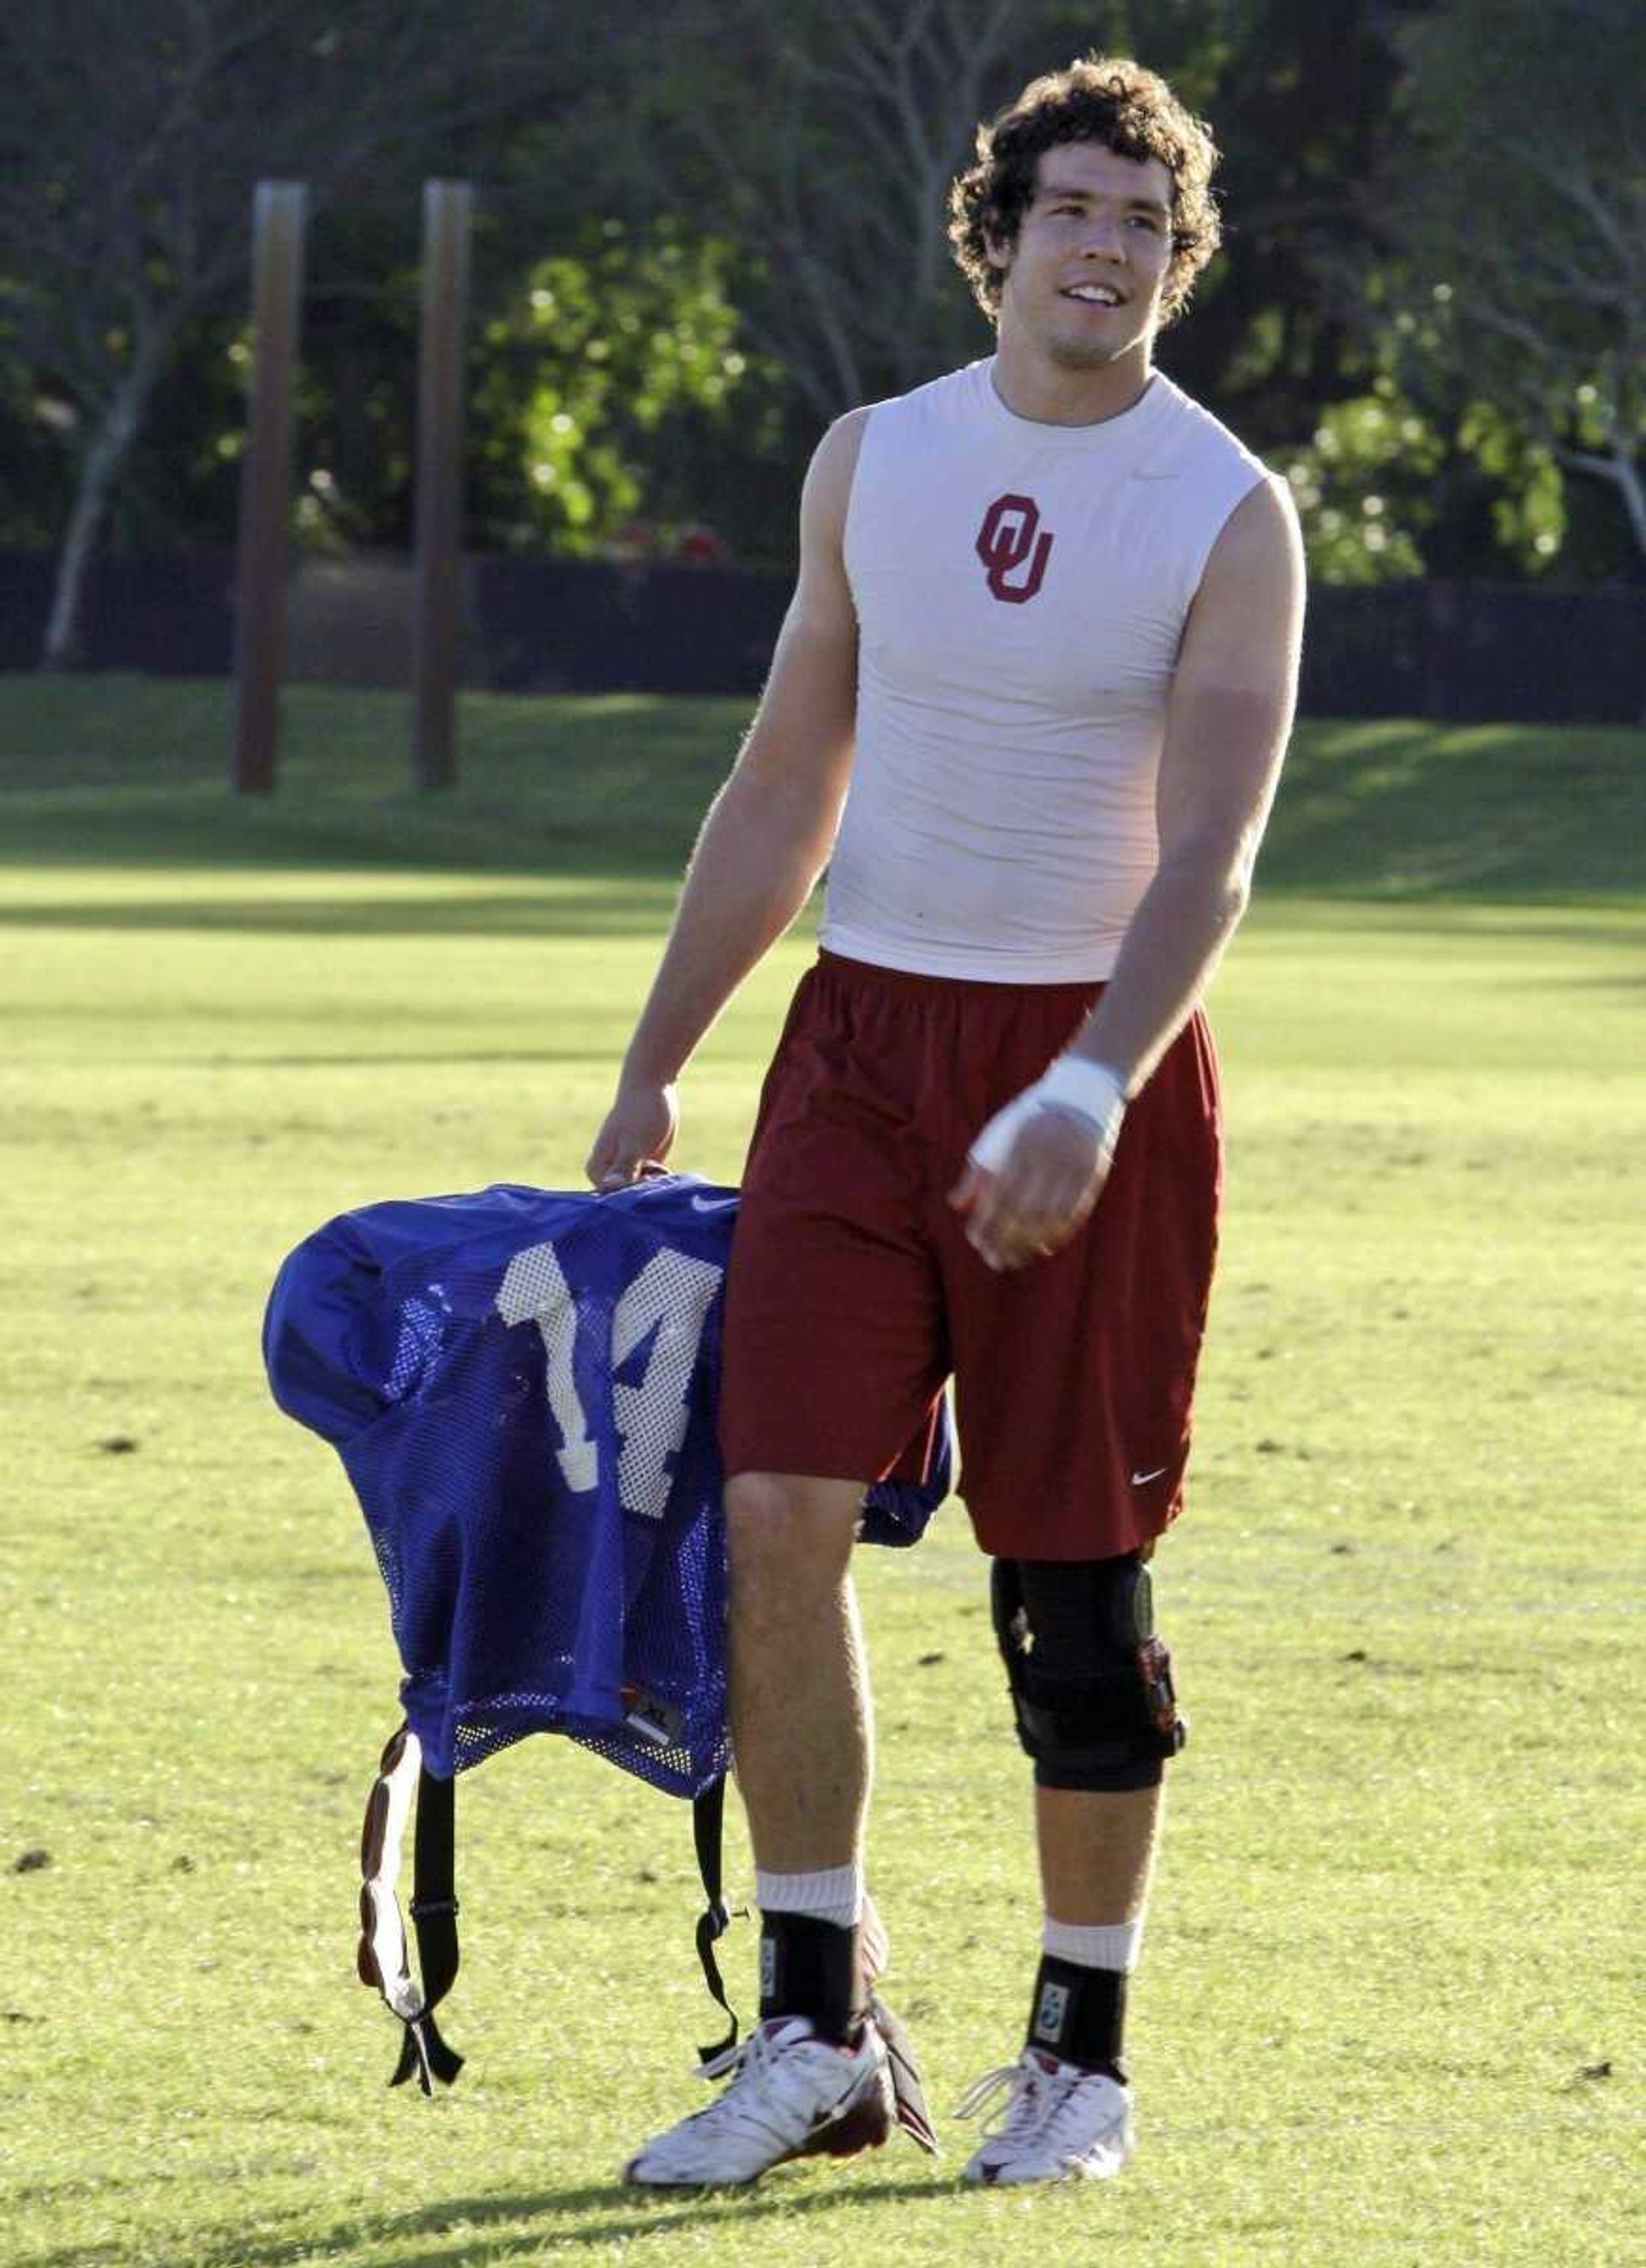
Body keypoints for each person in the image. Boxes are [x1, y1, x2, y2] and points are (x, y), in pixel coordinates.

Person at [585, 53, 1304, 2189]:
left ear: (1180, 267)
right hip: (858, 1053)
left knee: (1069, 1576)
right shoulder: (871, 459)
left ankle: (1080, 2058)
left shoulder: (1226, 506)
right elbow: (782, 783)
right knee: (780, 1515)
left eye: (1151, 227)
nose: (1111, 249)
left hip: (1091, 1072)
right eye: (1077, 209)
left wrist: (1091, 1076)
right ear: (999, 231)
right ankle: (816, 2040)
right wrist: (655, 1051)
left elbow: (1217, 852)